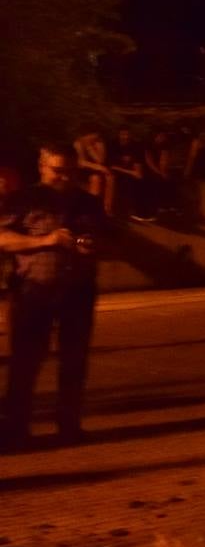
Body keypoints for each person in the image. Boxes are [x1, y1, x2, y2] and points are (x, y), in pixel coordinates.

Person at [0, 144, 108, 446]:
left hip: (78, 291)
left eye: (70, 171)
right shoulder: (22, 201)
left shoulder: (88, 202)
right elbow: (3, 238)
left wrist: (93, 246)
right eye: (57, 170)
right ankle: (16, 427)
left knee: (74, 361)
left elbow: (110, 241)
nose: (64, 177)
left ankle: (69, 425)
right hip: (34, 289)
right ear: (42, 166)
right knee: (26, 361)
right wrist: (46, 239)